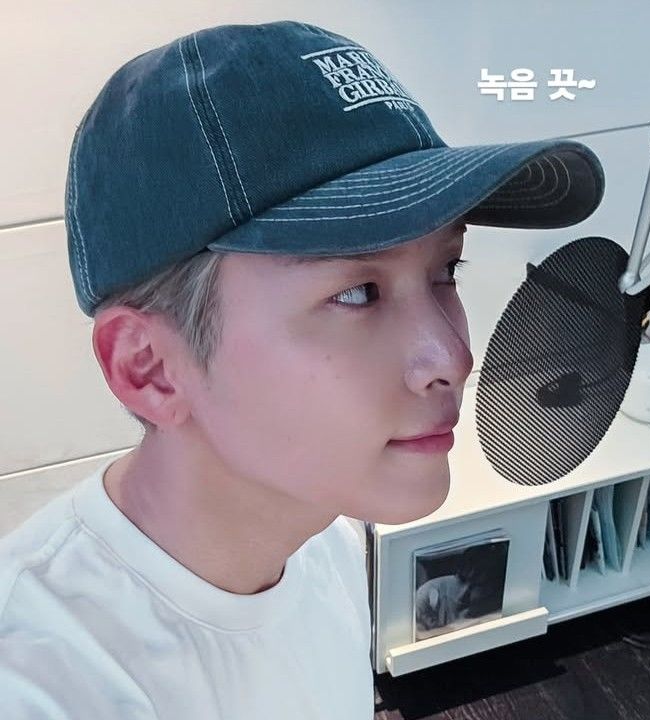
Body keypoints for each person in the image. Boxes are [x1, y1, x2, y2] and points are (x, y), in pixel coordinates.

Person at [0, 19, 605, 719]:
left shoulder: (326, 539)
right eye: (358, 293)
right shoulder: (42, 683)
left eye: (447, 270)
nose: (454, 358)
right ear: (151, 369)